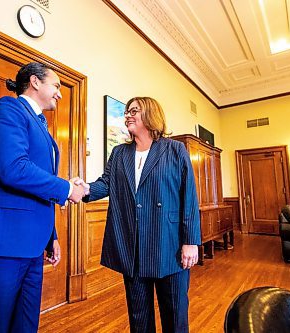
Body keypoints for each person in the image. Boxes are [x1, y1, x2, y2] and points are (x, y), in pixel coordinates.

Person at [0, 62, 86, 333]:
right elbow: (14, 169)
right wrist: (66, 188)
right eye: (56, 85)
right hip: (2, 240)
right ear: (35, 82)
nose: (60, 94)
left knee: (25, 324)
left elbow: (37, 183)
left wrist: (50, 236)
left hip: (32, 242)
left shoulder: (40, 124)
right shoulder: (7, 109)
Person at [80, 97, 201, 332]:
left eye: (134, 110)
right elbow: (106, 184)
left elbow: (189, 196)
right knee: (139, 318)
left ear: (151, 114)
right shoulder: (119, 153)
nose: (128, 115)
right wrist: (82, 189)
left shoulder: (174, 149)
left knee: (175, 316)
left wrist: (191, 242)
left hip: (170, 246)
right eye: (126, 111)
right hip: (133, 248)